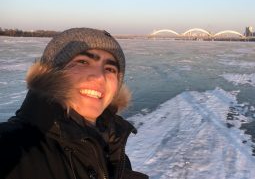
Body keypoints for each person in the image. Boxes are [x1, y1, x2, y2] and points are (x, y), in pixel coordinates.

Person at [0, 28, 148, 179]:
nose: (100, 77)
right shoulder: (14, 146)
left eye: (110, 69)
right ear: (51, 74)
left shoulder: (114, 153)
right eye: (83, 62)